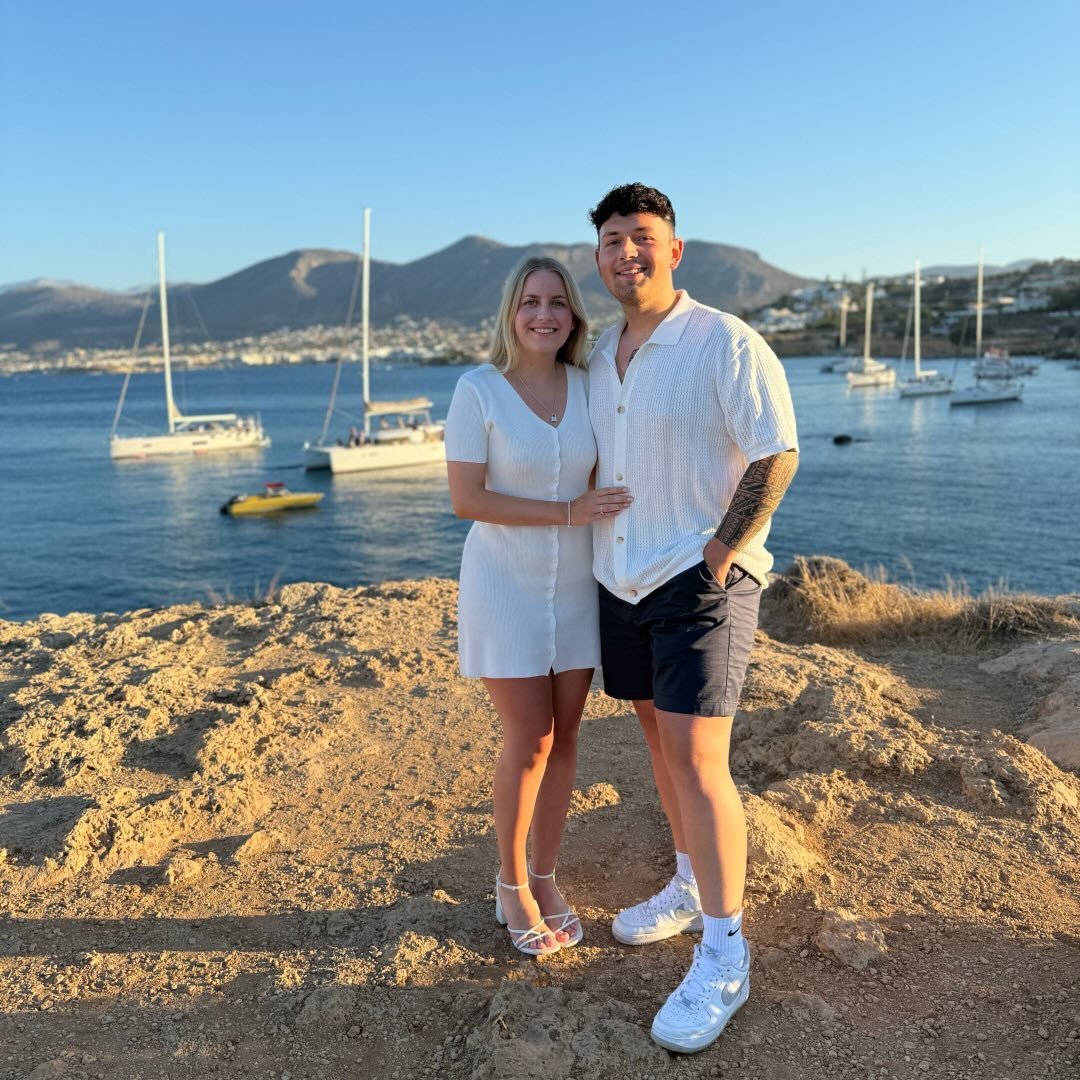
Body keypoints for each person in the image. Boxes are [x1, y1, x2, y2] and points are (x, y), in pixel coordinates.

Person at [586, 183, 798, 1051]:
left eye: (643, 237)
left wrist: (721, 550)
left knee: (702, 762)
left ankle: (725, 950)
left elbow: (776, 453)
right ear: (598, 257)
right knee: (658, 743)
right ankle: (686, 881)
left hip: (698, 581)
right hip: (622, 580)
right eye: (612, 240)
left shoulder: (724, 340)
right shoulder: (599, 355)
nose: (627, 252)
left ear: (675, 250)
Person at [445, 256, 632, 957]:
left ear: (573, 315)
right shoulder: (478, 390)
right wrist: (568, 512)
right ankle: (511, 884)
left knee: (567, 737)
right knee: (529, 738)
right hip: (503, 586)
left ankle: (546, 876)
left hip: (578, 588)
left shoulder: (589, 387)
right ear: (511, 313)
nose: (544, 314)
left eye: (557, 302)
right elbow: (467, 499)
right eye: (530, 302)